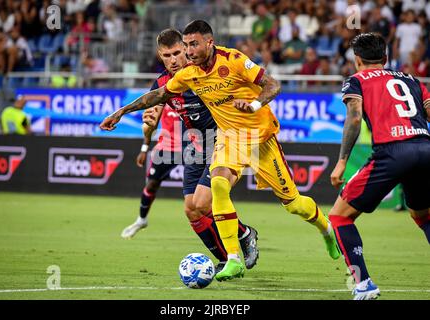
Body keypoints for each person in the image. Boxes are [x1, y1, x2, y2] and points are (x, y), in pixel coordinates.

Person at [100, 20, 340, 282]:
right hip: (227, 138)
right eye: (186, 46)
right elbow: (155, 97)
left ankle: (327, 229)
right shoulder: (187, 75)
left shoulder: (234, 60)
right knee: (216, 187)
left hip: (259, 138)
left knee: (294, 205)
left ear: (209, 42)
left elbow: (273, 85)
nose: (188, 52)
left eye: (192, 45)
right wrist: (121, 112)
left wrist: (254, 105)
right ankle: (233, 260)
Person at [119, 29, 260, 272]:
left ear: (186, 49)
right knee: (192, 210)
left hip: (222, 142)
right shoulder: (164, 83)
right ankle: (225, 259)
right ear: (160, 56)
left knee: (204, 203)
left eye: (176, 53)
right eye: (166, 55)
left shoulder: (206, 72)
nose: (173, 60)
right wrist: (147, 127)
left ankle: (245, 235)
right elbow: (152, 111)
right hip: (195, 145)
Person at [329, 33, 430, 300]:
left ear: (357, 59)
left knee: (339, 216)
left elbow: (354, 117)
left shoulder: (356, 80)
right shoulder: (411, 80)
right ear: (385, 58)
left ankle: (363, 284)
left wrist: (341, 163)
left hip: (392, 152)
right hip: (424, 148)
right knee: (423, 215)